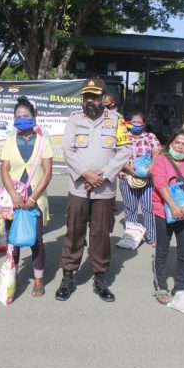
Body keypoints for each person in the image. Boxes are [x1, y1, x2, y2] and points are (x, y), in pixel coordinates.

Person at [56, 77, 131, 302]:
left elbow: (125, 150)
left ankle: (100, 279)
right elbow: (67, 149)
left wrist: (103, 175)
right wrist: (86, 174)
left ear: (104, 98)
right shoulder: (74, 119)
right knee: (74, 231)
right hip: (79, 187)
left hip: (104, 189)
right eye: (86, 96)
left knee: (100, 235)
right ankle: (67, 278)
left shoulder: (116, 121)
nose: (90, 100)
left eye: (95, 96)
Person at [0, 96, 53, 297]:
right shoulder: (9, 142)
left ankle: (38, 280)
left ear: (35, 116)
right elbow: (4, 170)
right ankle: (11, 278)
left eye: (26, 116)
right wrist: (14, 195)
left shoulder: (43, 142)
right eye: (18, 116)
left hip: (35, 200)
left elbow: (47, 173)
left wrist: (32, 198)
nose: (22, 119)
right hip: (12, 200)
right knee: (13, 240)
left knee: (36, 240)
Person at [151, 129, 184, 304]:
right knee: (162, 251)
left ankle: (180, 286)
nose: (180, 146)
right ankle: (161, 286)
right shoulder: (161, 161)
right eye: (177, 142)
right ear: (170, 143)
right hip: (163, 211)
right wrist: (172, 206)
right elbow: (160, 183)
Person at [118, 111, 161, 246]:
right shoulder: (122, 137)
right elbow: (116, 155)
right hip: (126, 177)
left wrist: (152, 165)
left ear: (144, 124)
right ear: (128, 123)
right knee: (130, 208)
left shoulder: (150, 136)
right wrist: (128, 168)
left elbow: (157, 151)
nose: (136, 124)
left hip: (147, 180)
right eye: (133, 122)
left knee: (148, 208)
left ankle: (151, 237)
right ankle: (132, 237)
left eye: (139, 122)